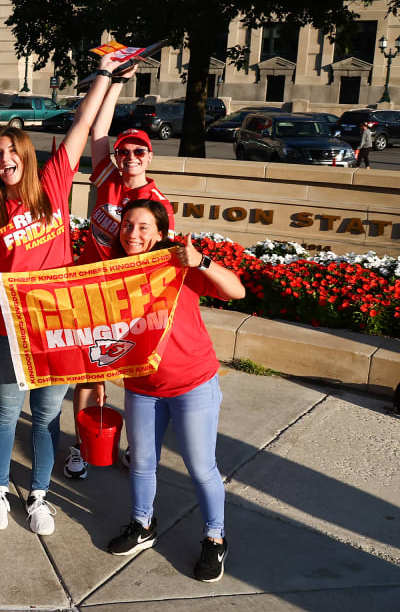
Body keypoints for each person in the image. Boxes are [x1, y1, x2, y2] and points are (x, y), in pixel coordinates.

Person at [0, 51, 123, 536]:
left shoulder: (53, 183)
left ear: (25, 155)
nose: (3, 160)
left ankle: (39, 495)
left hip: (56, 326)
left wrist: (105, 75)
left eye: (10, 151)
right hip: (8, 328)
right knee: (5, 413)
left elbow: (82, 125)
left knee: (47, 415)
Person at [103, 199, 244, 584]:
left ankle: (215, 538)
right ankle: (142, 524)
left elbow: (237, 291)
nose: (133, 234)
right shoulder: (112, 272)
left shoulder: (179, 265)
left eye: (143, 227)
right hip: (142, 386)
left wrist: (202, 261)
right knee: (142, 462)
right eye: (127, 225)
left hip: (192, 384)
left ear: (161, 232)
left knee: (201, 467)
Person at [64, 64, 176, 480]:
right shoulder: (108, 178)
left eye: (138, 152)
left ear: (150, 156)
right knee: (87, 373)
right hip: (88, 291)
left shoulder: (155, 201)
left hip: (127, 299)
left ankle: (133, 448)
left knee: (131, 376)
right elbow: (98, 130)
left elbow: (160, 259)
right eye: (124, 152)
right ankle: (82, 445)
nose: (130, 158)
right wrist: (116, 82)